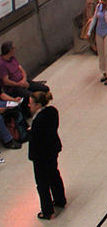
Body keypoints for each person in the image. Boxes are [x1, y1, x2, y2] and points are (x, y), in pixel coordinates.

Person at [27, 90, 65, 220]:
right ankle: (60, 200)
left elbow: (36, 139)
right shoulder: (52, 111)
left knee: (42, 183)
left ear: (38, 105)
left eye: (31, 103)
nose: (29, 105)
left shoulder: (38, 121)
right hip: (52, 149)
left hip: (41, 156)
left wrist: (30, 133)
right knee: (54, 174)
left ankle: (48, 211)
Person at [87, 0, 107, 85]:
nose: (102, 2)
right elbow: (95, 18)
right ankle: (104, 72)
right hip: (99, 32)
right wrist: (89, 31)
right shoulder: (98, 6)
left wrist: (106, 10)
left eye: (104, 0)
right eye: (101, 0)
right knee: (101, 54)